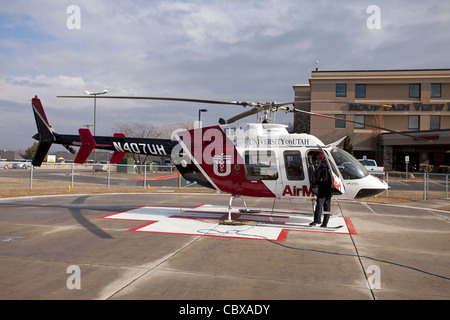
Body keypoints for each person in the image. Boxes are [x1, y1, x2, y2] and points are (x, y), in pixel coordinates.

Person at [309, 153, 332, 227]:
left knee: (319, 203)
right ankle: (325, 222)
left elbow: (317, 175)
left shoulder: (322, 165)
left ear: (320, 158)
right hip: (329, 186)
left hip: (323, 186)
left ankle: (317, 220)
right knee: (327, 205)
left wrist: (314, 181)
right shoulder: (329, 165)